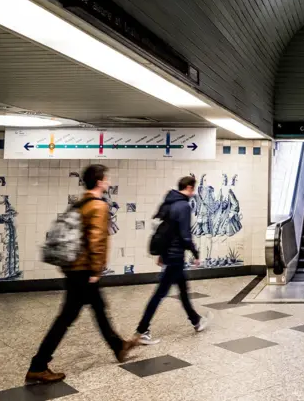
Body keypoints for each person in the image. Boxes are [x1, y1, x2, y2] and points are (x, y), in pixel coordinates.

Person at [27, 165, 138, 385]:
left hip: (75, 268)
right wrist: (96, 271)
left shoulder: (80, 204)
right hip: (85, 271)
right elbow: (96, 240)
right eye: (106, 179)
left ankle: (118, 346)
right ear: (99, 182)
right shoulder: (98, 206)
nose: (107, 182)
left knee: (98, 308)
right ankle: (38, 365)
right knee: (67, 317)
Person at [135, 175, 210, 345]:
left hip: (170, 254)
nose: (194, 193)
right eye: (194, 189)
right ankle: (142, 330)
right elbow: (184, 235)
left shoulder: (169, 202)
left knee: (183, 290)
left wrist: (162, 254)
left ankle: (196, 321)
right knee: (160, 294)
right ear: (190, 187)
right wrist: (195, 253)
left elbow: (165, 230)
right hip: (176, 256)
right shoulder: (183, 206)